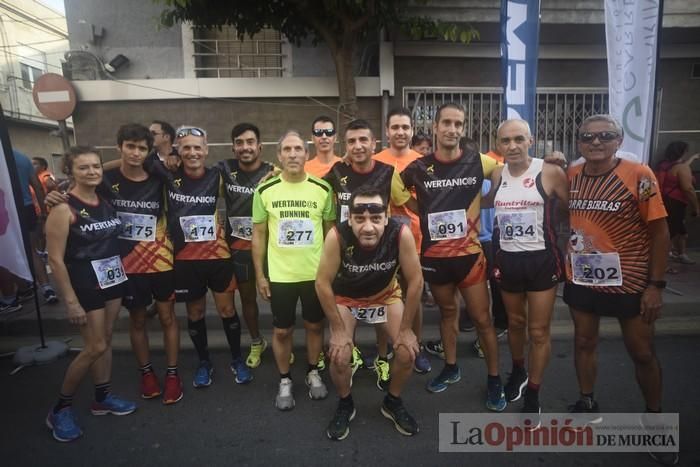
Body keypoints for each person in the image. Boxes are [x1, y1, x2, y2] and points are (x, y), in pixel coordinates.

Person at [562, 114, 674, 466]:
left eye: (605, 136)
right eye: (588, 137)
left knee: (641, 351)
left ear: (619, 140)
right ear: (579, 142)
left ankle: (654, 418)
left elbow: (660, 233)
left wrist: (656, 286)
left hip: (630, 280)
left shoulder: (639, 175)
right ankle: (587, 401)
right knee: (583, 341)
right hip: (581, 276)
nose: (596, 142)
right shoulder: (572, 176)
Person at [401, 103, 506, 411]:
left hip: (469, 255)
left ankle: (495, 377)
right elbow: (396, 190)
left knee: (482, 319)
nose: (452, 128)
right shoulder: (419, 167)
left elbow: (503, 171)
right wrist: (419, 208)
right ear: (435, 127)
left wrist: (487, 199)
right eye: (446, 122)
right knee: (448, 313)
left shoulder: (477, 161)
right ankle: (451, 366)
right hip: (435, 255)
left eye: (458, 123)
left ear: (462, 129)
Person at [147, 126, 252, 387]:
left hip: (218, 257)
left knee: (227, 310)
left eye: (197, 147)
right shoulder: (168, 175)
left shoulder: (218, 174)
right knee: (195, 314)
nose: (192, 152)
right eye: (186, 148)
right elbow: (136, 160)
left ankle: (237, 359)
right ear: (178, 151)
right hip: (184, 259)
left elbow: (250, 168)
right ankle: (204, 362)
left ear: (206, 151)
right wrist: (167, 155)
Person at [45, 146, 135, 442]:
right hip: (85, 285)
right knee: (94, 346)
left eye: (96, 166)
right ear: (69, 172)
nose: (93, 172)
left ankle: (102, 397)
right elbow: (55, 260)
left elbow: (119, 163)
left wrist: (111, 161)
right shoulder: (62, 208)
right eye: (83, 168)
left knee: (106, 340)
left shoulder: (104, 199)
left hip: (112, 278)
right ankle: (60, 408)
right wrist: (70, 301)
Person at [317, 188, 422, 440]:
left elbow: (416, 279)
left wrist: (407, 330)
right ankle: (345, 402)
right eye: (360, 219)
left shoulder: (400, 233)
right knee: (340, 355)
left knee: (407, 352)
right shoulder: (336, 236)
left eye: (375, 219)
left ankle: (392, 401)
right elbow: (322, 282)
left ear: (386, 217)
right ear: (350, 218)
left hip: (384, 296)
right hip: (347, 297)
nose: (368, 227)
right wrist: (339, 331)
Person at [489, 119, 568, 422]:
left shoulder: (549, 171)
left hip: (541, 259)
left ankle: (534, 392)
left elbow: (571, 209)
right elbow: (486, 202)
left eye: (518, 139)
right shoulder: (497, 173)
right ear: (498, 145)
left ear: (530, 141)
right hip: (507, 259)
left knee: (538, 331)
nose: (512, 146)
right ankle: (519, 370)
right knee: (515, 322)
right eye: (505, 141)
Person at [324, 118, 412, 391]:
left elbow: (405, 204)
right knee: (352, 312)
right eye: (351, 141)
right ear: (345, 146)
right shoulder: (336, 171)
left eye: (363, 140)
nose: (358, 146)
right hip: (349, 258)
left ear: (374, 143)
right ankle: (354, 354)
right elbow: (312, 191)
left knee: (380, 315)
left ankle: (383, 357)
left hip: (381, 256)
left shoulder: (389, 172)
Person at [252, 130, 335, 410]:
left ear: (306, 154)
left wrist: (330, 274)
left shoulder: (323, 189)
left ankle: (313, 371)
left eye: (298, 149)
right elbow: (259, 236)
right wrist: (260, 275)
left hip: (314, 275)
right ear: (279, 155)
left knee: (314, 325)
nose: (292, 154)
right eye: (286, 149)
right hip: (280, 276)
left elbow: (330, 234)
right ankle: (285, 378)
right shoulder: (264, 191)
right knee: (282, 331)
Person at [373, 107, 431, 374]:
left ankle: (415, 346)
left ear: (411, 130)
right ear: (387, 131)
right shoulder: (375, 160)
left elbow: (429, 203)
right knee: (382, 296)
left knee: (412, 296)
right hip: (380, 242)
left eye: (405, 127)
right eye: (395, 127)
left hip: (414, 239)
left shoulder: (422, 162)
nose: (400, 132)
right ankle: (383, 352)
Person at [219, 123, 275, 368]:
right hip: (239, 250)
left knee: (276, 300)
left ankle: (279, 340)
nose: (245, 147)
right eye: (240, 143)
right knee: (248, 300)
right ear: (233, 147)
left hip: (268, 251)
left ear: (260, 146)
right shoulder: (224, 170)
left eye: (250, 142)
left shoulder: (274, 171)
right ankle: (256, 341)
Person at [12, 150, 58, 304]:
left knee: (10, 251)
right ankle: (46, 288)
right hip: (27, 207)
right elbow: (37, 186)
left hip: (6, 208)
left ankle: (21, 289)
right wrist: (44, 212)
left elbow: (42, 185)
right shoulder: (22, 158)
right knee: (33, 250)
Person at [655, 141, 699, 266]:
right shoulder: (682, 168)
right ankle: (662, 264)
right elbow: (688, 189)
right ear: (683, 152)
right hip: (676, 204)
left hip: (663, 201)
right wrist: (696, 207)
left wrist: (692, 159)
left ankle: (681, 254)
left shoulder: (663, 165)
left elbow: (680, 168)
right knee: (670, 233)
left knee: (679, 231)